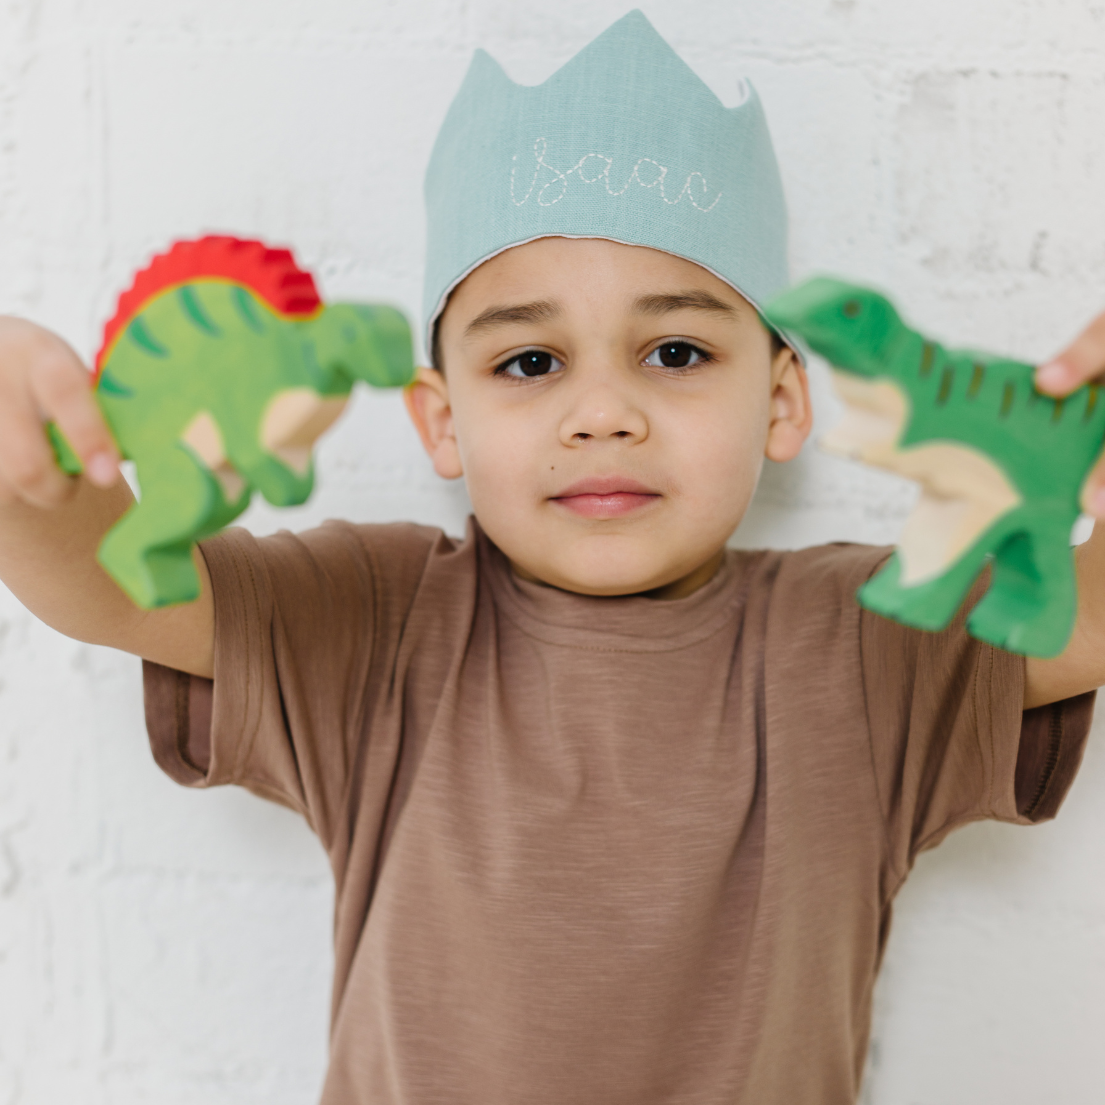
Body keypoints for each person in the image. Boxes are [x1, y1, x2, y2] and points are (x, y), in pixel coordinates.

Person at [0, 11, 1103, 1104]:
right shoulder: (373, 621)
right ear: (440, 422)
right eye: (530, 362)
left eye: (675, 351)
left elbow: (1083, 621)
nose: (602, 412)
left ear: (779, 400)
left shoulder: (871, 639)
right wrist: (21, 464)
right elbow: (112, 588)